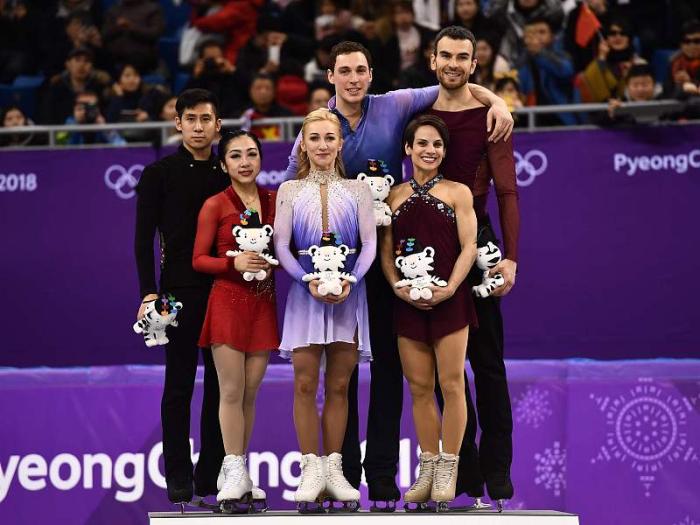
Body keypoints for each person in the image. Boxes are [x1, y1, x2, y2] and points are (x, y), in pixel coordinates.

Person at [284, 40, 513, 509]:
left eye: (360, 70)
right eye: (344, 71)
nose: (353, 79)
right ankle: (342, 475)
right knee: (342, 374)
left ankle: (387, 479)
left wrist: (498, 100)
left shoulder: (395, 104)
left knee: (395, 371)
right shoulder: (318, 126)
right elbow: (292, 183)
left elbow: (453, 80)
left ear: (371, 75)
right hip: (340, 265)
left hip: (390, 254)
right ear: (330, 76)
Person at [424, 25, 519, 510]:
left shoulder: (491, 118)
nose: (454, 64)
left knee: (488, 364)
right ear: (433, 60)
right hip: (429, 249)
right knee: (446, 371)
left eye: (463, 57)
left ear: (474, 64)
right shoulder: (418, 114)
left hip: (480, 247)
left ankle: (498, 472)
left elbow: (507, 193)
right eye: (447, 55)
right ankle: (466, 469)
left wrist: (511, 257)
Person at [274, 108, 376, 511]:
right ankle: (310, 470)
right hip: (306, 294)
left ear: (340, 143)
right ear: (303, 144)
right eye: (314, 138)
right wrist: (307, 281)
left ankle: (334, 470)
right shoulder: (288, 190)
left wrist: (351, 280)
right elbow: (282, 246)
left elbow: (369, 244)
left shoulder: (358, 190)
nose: (322, 145)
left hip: (349, 293)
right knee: (304, 384)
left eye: (329, 138)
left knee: (339, 386)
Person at [134, 88, 227, 509]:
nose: (198, 127)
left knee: (222, 387)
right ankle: (178, 477)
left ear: (217, 125)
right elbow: (142, 240)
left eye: (206, 119)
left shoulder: (227, 172)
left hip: (223, 290)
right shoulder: (159, 174)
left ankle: (211, 475)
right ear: (178, 123)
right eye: (191, 119)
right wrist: (148, 292)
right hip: (177, 293)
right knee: (178, 384)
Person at [381, 114, 478, 508]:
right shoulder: (392, 196)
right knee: (419, 388)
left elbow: (469, 246)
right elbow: (385, 252)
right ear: (408, 148)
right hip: (407, 302)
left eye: (437, 144)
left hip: (450, 300)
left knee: (451, 385)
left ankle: (449, 467)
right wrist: (397, 287)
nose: (430, 150)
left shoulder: (458, 193)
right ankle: (428, 466)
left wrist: (451, 287)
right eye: (422, 143)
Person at [192, 130, 278, 510]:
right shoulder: (214, 204)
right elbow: (198, 259)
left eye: (252, 154)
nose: (245, 162)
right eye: (236, 156)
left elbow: (285, 247)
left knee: (250, 393)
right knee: (230, 390)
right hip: (227, 303)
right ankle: (232, 469)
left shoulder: (274, 201)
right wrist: (233, 263)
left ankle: (239, 473)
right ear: (224, 164)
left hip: (263, 304)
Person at [58, 90, 126, 146]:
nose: (86, 110)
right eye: (82, 107)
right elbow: (60, 148)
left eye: (90, 107)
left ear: (98, 108)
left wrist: (105, 130)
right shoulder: (70, 122)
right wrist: (76, 126)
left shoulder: (103, 124)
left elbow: (122, 145)